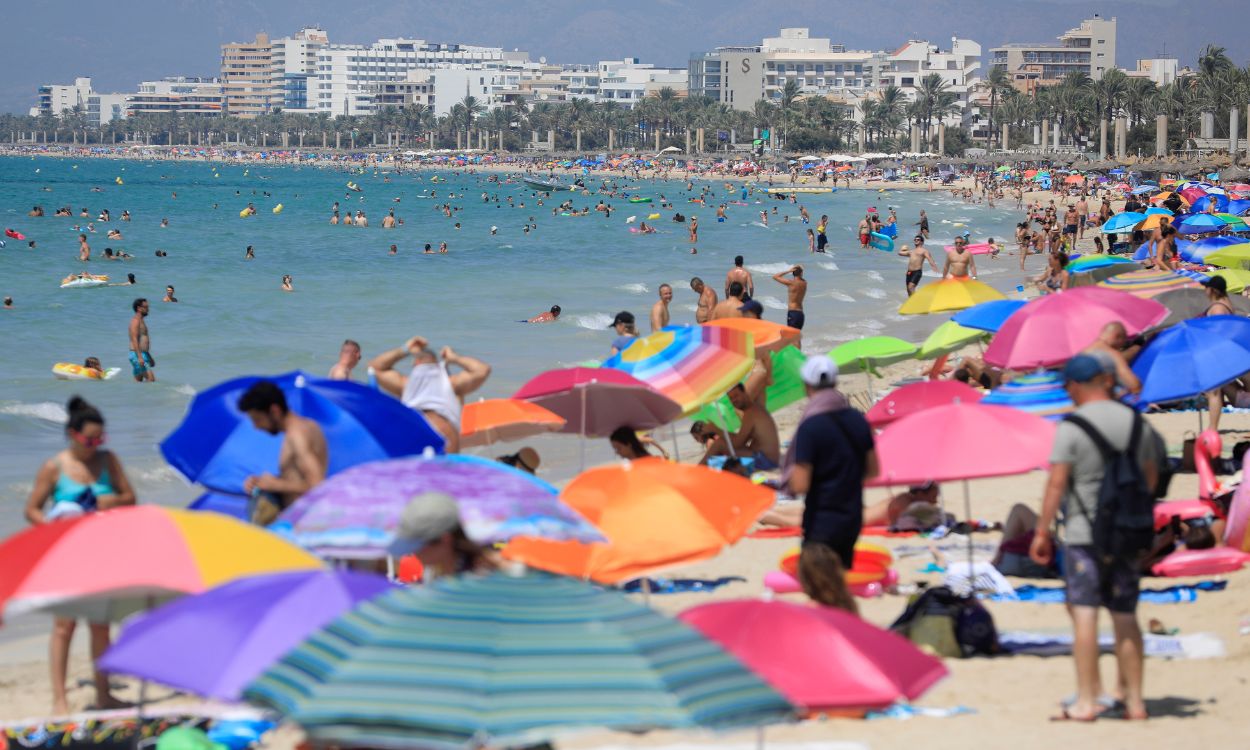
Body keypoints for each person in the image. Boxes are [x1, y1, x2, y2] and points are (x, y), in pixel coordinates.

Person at [1029, 354, 1160, 722]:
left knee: (1085, 615)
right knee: (1125, 616)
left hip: (1085, 534)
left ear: (1077, 385)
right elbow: (1150, 476)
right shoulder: (1135, 422)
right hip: (1127, 532)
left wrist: (1042, 532)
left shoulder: (1072, 427)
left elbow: (1056, 484)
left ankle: (1087, 701)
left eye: (1067, 386)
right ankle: (1134, 702)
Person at [25, 396, 136, 715]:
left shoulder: (108, 461)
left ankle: (104, 695)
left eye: (100, 438)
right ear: (73, 435)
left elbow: (130, 498)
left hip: (102, 552)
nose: (96, 444)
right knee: (64, 627)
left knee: (100, 627)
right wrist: (50, 526)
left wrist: (107, 503)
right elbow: (32, 509)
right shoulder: (54, 467)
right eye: (90, 439)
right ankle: (60, 700)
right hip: (66, 555)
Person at [788, 356, 878, 614]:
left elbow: (801, 483)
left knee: (821, 592)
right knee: (837, 585)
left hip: (821, 520)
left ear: (808, 386)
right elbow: (873, 470)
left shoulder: (811, 426)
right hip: (851, 516)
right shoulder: (857, 420)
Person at [369, 336, 491, 453]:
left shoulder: (405, 385)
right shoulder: (452, 384)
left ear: (415, 364)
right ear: (438, 364)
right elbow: (482, 369)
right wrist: (454, 358)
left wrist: (406, 349)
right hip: (445, 432)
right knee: (445, 472)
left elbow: (374, 367)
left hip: (415, 430)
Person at [238, 380, 329, 525]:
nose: (256, 427)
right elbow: (299, 476)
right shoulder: (309, 426)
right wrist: (264, 482)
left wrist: (276, 485)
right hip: (302, 517)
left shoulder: (297, 436)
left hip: (301, 524)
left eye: (258, 419)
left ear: (274, 411)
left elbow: (319, 485)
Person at [386, 492, 500, 578]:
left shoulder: (480, 576)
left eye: (417, 545)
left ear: (445, 539)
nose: (412, 553)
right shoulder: (440, 571)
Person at [698, 383, 780, 469]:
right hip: (766, 459)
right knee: (721, 449)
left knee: (719, 444)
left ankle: (697, 470)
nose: (734, 400)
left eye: (736, 395)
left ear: (744, 392)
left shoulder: (751, 413)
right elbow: (741, 440)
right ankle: (702, 469)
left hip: (765, 461)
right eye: (731, 398)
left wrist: (716, 429)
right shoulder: (753, 410)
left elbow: (737, 443)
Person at [1083, 322, 1142, 396]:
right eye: (1124, 340)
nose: (1122, 345)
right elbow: (1134, 384)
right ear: (1117, 336)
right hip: (1104, 400)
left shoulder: (1083, 352)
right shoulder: (1111, 353)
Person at [772, 265, 807, 330]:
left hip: (793, 312)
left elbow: (775, 276)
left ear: (793, 273)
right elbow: (801, 272)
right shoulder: (804, 283)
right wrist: (800, 268)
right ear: (801, 273)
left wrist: (788, 271)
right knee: (797, 336)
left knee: (791, 336)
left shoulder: (791, 283)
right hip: (800, 313)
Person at [128, 298, 154, 383]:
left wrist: (149, 356)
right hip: (137, 355)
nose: (148, 309)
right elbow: (134, 339)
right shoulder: (135, 321)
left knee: (138, 382)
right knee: (151, 381)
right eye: (146, 307)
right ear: (139, 308)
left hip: (142, 354)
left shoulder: (141, 321)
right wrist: (140, 357)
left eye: (148, 307)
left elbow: (142, 341)